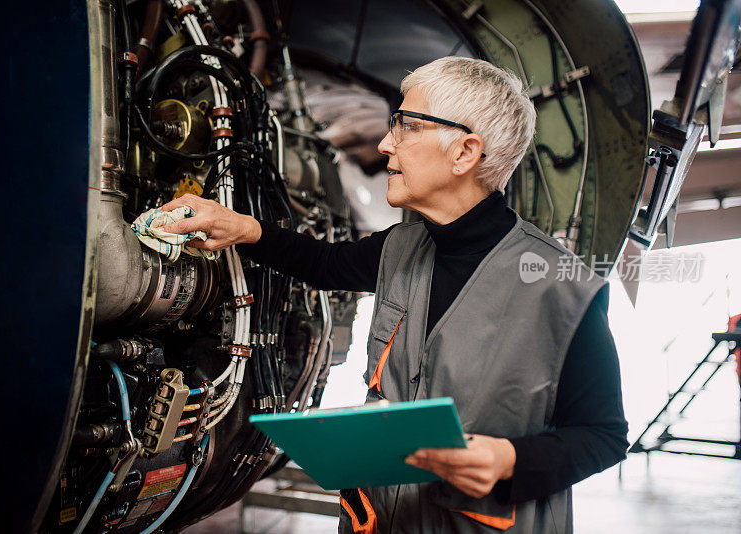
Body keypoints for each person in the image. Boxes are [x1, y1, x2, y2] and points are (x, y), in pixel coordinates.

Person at [159, 57, 628, 533]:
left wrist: (507, 457)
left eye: (406, 126)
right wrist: (242, 228)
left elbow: (603, 436)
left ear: (465, 152)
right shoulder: (401, 247)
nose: (386, 144)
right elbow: (323, 263)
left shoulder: (563, 288)